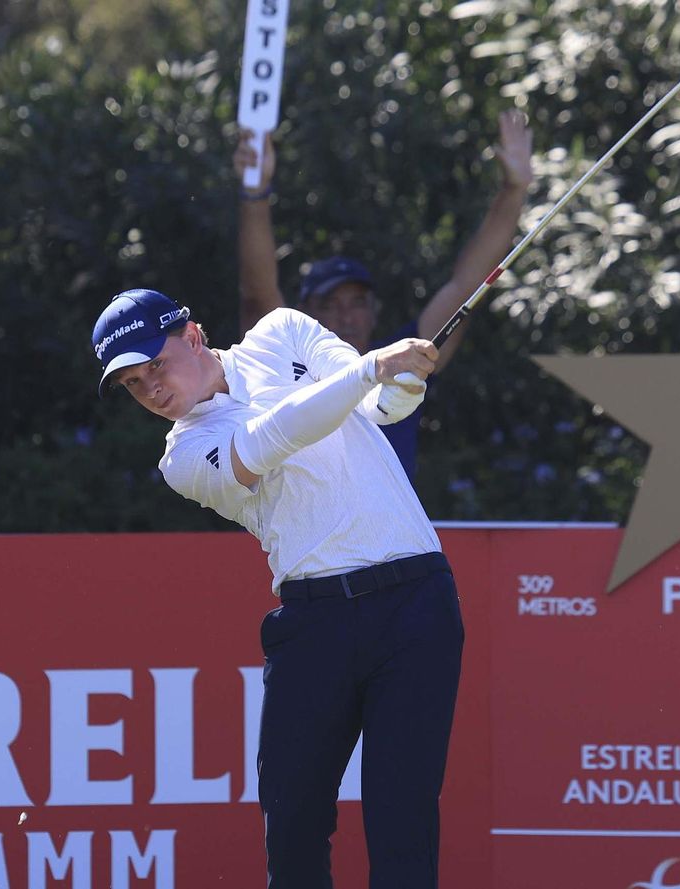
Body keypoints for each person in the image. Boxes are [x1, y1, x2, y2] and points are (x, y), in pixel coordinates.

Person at [92, 288, 464, 888]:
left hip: (415, 602)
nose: (151, 390)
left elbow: (377, 405)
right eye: (134, 384)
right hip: (316, 623)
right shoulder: (184, 456)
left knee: (402, 819)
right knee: (293, 826)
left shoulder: (283, 332)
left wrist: (404, 383)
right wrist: (375, 368)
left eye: (155, 365)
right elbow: (274, 437)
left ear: (193, 336)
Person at [233, 110, 534, 480]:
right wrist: (254, 194)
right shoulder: (282, 367)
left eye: (357, 303)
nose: (346, 317)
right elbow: (258, 296)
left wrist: (514, 190)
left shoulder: (403, 365)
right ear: (303, 315)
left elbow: (465, 286)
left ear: (374, 312)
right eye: (329, 304)